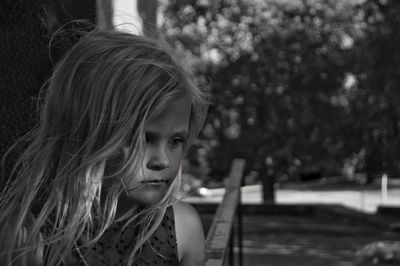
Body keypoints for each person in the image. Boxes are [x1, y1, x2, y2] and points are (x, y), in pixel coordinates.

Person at [0, 28, 209, 266]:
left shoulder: (183, 229)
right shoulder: (29, 238)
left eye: (176, 141)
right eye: (143, 139)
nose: (163, 160)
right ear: (89, 132)